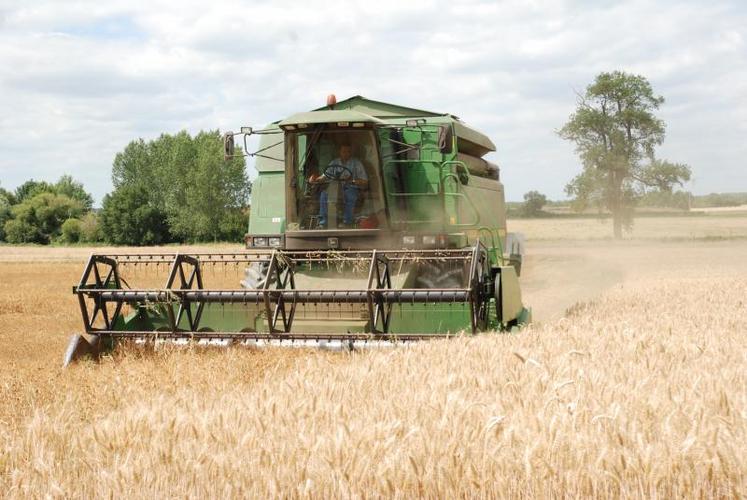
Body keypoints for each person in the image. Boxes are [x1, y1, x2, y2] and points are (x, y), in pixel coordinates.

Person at [311, 143, 368, 228]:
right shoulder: (334, 162)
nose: (346, 153)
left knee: (350, 195)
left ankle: (346, 221)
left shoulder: (357, 163)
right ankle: (323, 222)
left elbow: (365, 181)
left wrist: (352, 181)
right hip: (335, 188)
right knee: (324, 195)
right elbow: (325, 176)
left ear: (351, 152)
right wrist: (315, 179)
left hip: (351, 187)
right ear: (339, 152)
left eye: (348, 151)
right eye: (344, 151)